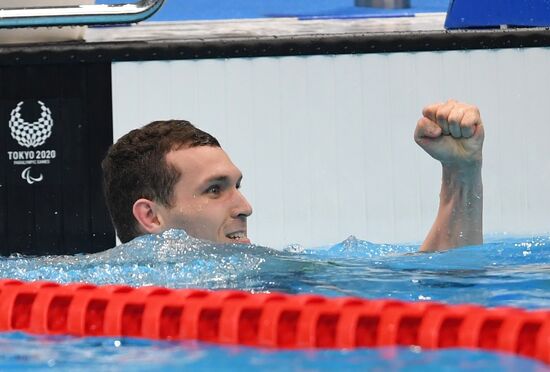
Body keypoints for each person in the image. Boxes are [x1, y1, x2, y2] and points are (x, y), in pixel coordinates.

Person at [101, 99, 484, 252]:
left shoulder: (267, 274)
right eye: (215, 190)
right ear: (150, 216)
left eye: (237, 186)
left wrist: (460, 173)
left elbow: (432, 288)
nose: (245, 207)